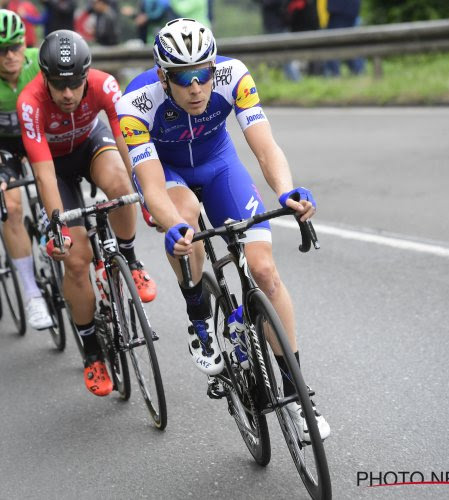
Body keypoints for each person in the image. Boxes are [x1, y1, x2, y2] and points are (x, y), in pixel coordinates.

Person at [115, 18, 329, 441]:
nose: (196, 87)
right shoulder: (135, 105)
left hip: (219, 164)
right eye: (183, 77)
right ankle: (198, 313)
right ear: (163, 75)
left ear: (214, 67)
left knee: (264, 272)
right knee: (186, 217)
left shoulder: (235, 76)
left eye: (203, 74)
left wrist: (286, 192)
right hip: (169, 172)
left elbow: (264, 146)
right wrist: (174, 225)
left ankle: (298, 393)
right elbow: (152, 185)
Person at [16, 30, 157, 396]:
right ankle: (92, 351)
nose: (67, 93)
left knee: (122, 184)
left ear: (86, 76)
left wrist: (145, 193)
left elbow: (128, 142)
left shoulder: (104, 85)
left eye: (75, 83)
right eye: (59, 85)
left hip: (92, 144)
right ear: (43, 76)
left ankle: (130, 258)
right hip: (55, 167)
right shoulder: (30, 102)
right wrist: (57, 227)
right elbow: (43, 174)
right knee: (75, 261)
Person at [0, 9, 54, 328]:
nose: (11, 55)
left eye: (15, 46)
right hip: (4, 144)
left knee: (52, 188)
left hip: (38, 135)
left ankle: (49, 222)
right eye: (2, 50)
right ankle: (32, 294)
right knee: (12, 207)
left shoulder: (38, 61)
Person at [324, 0, 365, 76]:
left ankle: (334, 73)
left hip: (339, 11)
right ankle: (357, 70)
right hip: (351, 10)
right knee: (352, 42)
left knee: (332, 43)